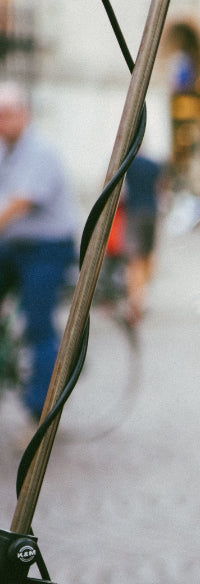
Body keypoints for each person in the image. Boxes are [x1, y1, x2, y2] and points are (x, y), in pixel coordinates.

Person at [0, 80, 78, 422]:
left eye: (7, 114)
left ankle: (42, 412)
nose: (2, 121)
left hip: (47, 247)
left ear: (24, 114)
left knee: (38, 325)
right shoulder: (5, 150)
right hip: (15, 245)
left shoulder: (40, 151)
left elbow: (18, 203)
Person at [121, 148, 165, 324]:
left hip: (135, 212)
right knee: (148, 256)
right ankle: (143, 296)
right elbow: (160, 187)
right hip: (152, 211)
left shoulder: (127, 164)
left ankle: (136, 299)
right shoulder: (154, 165)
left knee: (135, 259)